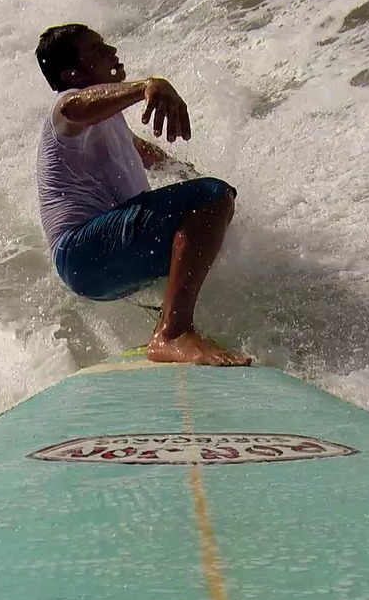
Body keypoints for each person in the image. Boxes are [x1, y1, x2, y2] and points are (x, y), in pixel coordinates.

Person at [34, 23, 250, 366]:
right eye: (96, 51)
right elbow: (77, 107)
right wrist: (148, 86)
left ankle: (174, 331)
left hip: (103, 259)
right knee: (210, 197)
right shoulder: (65, 109)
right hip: (81, 252)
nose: (110, 52)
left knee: (214, 210)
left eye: (105, 44)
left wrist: (197, 182)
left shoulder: (110, 121)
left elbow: (148, 154)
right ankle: (173, 332)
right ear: (72, 72)